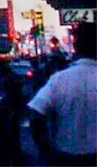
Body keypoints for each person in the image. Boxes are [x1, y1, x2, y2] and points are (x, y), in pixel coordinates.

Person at [28, 22, 96, 167]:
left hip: (66, 156)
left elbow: (35, 114)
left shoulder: (59, 79)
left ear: (76, 48)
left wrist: (45, 150)